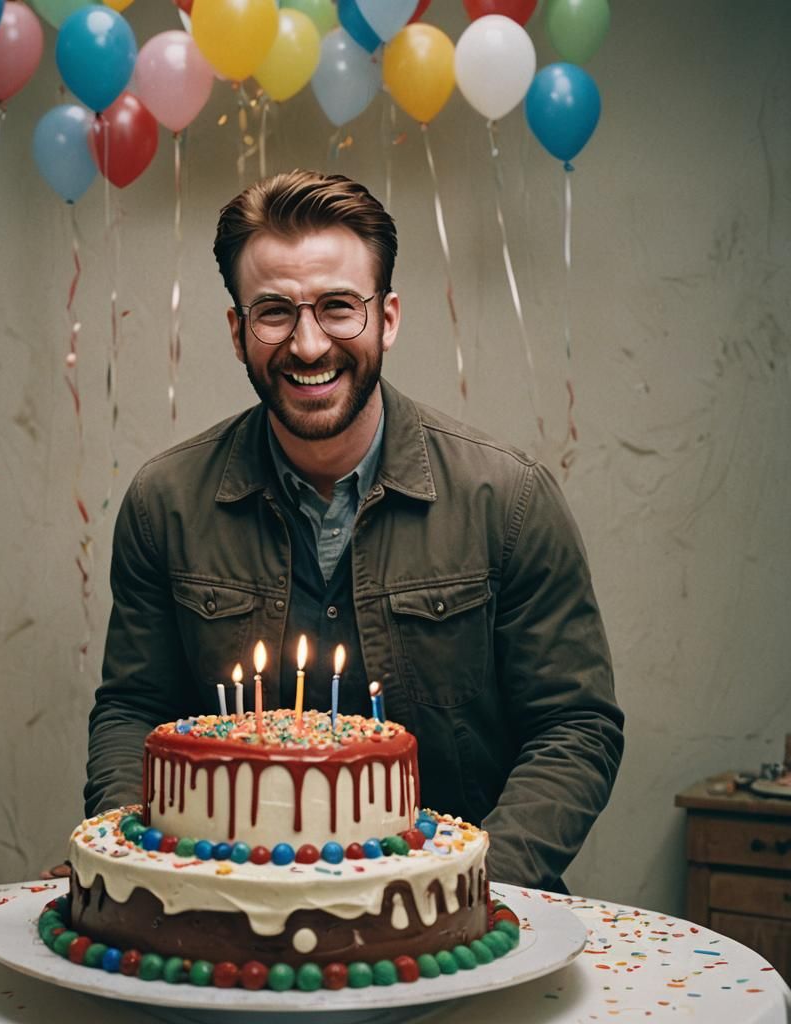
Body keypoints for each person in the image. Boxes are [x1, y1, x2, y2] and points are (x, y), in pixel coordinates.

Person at [81, 169, 623, 891]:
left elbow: (575, 727)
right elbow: (134, 709)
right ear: (238, 331)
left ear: (387, 318)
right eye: (273, 312)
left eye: (339, 307)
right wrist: (132, 870)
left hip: (468, 930)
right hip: (225, 920)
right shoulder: (165, 503)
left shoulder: (509, 500)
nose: (308, 345)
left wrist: (472, 888)